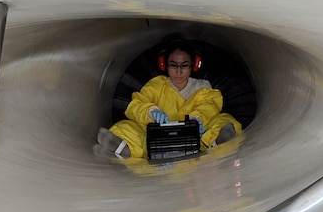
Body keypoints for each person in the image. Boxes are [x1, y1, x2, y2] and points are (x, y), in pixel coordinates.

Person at [95, 42, 241, 159]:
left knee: (224, 120)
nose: (178, 71)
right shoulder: (156, 85)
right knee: (126, 126)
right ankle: (123, 147)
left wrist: (197, 119)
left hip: (196, 138)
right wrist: (151, 112)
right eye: (173, 65)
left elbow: (210, 105)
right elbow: (136, 105)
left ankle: (218, 142)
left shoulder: (202, 86)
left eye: (184, 65)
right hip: (156, 139)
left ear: (194, 66)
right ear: (165, 65)